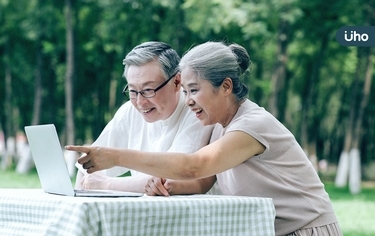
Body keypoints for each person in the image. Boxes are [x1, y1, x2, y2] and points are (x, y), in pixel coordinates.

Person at [67, 41, 342, 236]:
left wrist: (114, 157)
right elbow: (200, 181)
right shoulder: (220, 125)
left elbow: (193, 166)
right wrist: (165, 186)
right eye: (185, 91)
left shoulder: (251, 125)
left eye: (194, 90)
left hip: (305, 230)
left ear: (225, 86)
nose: (188, 101)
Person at [75, 41, 218, 195]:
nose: (140, 102)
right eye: (132, 91)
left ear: (177, 82)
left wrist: (107, 184)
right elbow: (88, 166)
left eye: (148, 90)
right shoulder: (129, 111)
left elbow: (172, 176)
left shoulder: (197, 111)